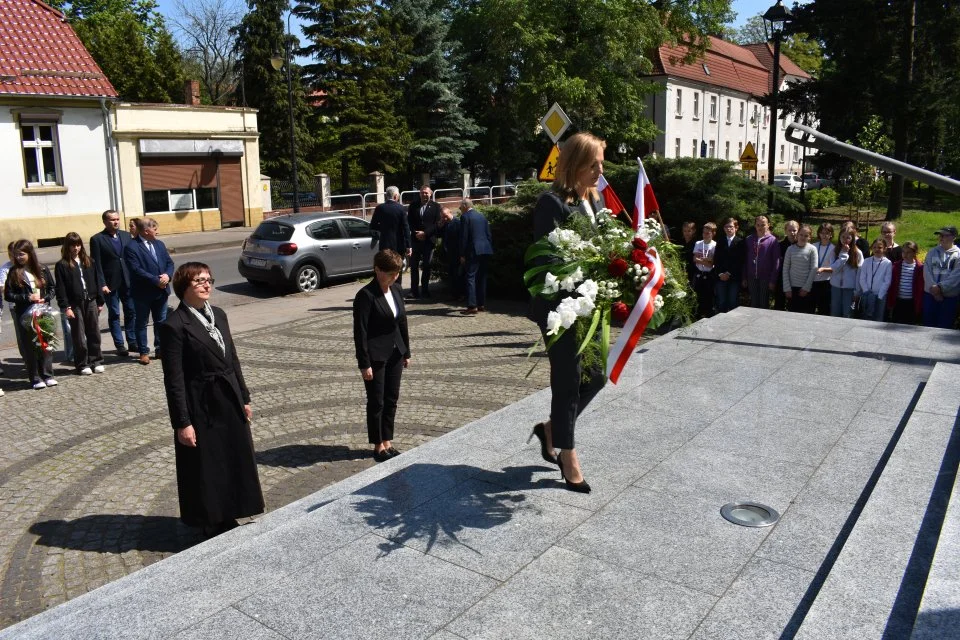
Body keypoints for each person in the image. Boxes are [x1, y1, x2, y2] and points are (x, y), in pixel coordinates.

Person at [159, 262, 263, 538]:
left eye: (209, 279)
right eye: (199, 281)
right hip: (201, 403)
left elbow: (233, 358)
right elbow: (174, 380)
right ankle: (212, 518)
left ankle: (234, 509)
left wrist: (244, 396)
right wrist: (183, 422)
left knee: (233, 456)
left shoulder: (219, 314)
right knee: (209, 463)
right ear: (184, 287)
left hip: (228, 396)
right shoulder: (174, 326)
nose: (207, 285)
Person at [530, 132, 608, 494]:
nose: (599, 170)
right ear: (574, 164)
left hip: (590, 305)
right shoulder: (552, 204)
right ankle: (568, 454)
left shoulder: (595, 199)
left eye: (600, 163)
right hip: (560, 310)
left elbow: (606, 246)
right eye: (593, 164)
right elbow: (546, 261)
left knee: (596, 376)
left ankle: (551, 430)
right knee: (568, 379)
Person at [352, 250, 411, 462]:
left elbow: (402, 322)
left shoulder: (396, 289)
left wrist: (407, 352)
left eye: (397, 273)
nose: (394, 277)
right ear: (377, 270)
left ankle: (388, 440)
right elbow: (361, 332)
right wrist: (364, 363)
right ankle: (378, 445)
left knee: (391, 398)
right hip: (376, 356)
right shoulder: (366, 296)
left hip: (396, 352)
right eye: (390, 273)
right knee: (376, 401)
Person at [3, 239, 57, 389]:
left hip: (42, 311)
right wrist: (26, 298)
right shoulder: (14, 272)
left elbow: (52, 288)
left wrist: (45, 298)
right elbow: (8, 295)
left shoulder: (43, 269)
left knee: (45, 343)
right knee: (30, 346)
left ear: (29, 254)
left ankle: (48, 375)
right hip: (24, 313)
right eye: (16, 255)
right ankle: (35, 378)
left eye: (21, 254)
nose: (18, 258)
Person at [123, 217, 175, 365]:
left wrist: (167, 275)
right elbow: (136, 270)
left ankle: (160, 349)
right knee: (141, 322)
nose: (157, 232)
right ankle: (143, 352)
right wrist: (156, 280)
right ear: (146, 231)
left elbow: (169, 263)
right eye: (155, 229)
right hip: (143, 292)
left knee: (161, 321)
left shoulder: (159, 244)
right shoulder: (131, 247)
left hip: (161, 291)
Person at [55, 233, 105, 375]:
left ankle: (96, 360)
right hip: (74, 304)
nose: (76, 248)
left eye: (78, 245)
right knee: (78, 335)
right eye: (72, 245)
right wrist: (66, 307)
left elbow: (97, 280)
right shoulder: (62, 265)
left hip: (91, 301)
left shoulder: (89, 261)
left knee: (94, 332)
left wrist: (100, 301)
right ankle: (82, 364)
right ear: (67, 246)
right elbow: (61, 288)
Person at [90, 209, 137, 356]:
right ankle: (119, 344)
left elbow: (130, 257)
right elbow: (96, 264)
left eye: (117, 219)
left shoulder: (125, 235)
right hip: (110, 283)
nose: (115, 222)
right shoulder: (97, 239)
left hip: (127, 280)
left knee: (131, 311)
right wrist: (102, 284)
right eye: (112, 220)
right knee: (115, 313)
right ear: (105, 221)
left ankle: (132, 341)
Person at [370, 186, 412, 287]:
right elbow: (406, 228)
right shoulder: (401, 208)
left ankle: (384, 290)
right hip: (398, 245)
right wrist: (408, 246)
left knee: (384, 268)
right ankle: (397, 290)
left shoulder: (380, 208)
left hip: (384, 244)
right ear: (396, 196)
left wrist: (383, 228)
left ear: (386, 195)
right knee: (397, 269)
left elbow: (373, 225)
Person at [458, 198, 494, 315]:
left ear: (465, 206)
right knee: (481, 277)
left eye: (460, 206)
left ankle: (472, 305)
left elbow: (464, 237)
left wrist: (462, 254)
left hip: (473, 251)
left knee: (470, 277)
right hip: (485, 249)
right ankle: (481, 304)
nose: (459, 208)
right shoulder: (481, 216)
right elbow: (488, 234)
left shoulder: (465, 217)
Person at [407, 185, 442, 299]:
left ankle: (425, 290)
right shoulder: (413, 205)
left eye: (426, 193)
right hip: (415, 241)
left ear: (430, 194)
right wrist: (416, 233)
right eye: (422, 192)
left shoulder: (436, 206)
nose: (424, 194)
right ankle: (414, 291)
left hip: (428, 241)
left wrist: (425, 233)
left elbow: (437, 224)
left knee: (427, 266)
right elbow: (409, 222)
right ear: (419, 194)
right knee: (413, 267)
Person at [922, 226, 960, 329]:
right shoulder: (932, 252)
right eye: (940, 235)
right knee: (928, 325)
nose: (941, 238)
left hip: (948, 297)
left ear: (954, 237)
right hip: (930, 295)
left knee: (944, 326)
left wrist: (940, 288)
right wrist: (934, 289)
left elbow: (956, 276)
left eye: (945, 235)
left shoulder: (958, 254)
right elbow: (927, 271)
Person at [742, 215, 780, 309]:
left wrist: (773, 280)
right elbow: (744, 260)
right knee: (754, 302)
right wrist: (744, 277)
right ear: (755, 225)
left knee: (763, 303)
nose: (760, 227)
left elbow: (776, 261)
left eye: (763, 225)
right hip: (751, 277)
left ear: (768, 225)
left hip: (765, 277)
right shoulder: (749, 239)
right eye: (758, 225)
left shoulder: (773, 240)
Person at [782, 224, 818, 314]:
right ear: (797, 235)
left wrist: (806, 288)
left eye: (806, 236)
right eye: (801, 235)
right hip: (792, 288)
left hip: (806, 289)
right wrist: (787, 288)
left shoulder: (812, 249)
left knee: (805, 315)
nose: (803, 237)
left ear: (810, 237)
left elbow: (814, 269)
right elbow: (785, 269)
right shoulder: (790, 249)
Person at [855, 237, 892, 322]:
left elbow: (887, 281)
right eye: (874, 247)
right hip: (867, 294)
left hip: (880, 295)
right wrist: (866, 290)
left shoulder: (887, 263)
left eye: (879, 247)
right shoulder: (867, 261)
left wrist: (880, 295)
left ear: (885, 249)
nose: (877, 249)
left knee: (878, 317)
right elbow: (862, 278)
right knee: (866, 316)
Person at [887, 241, 924, 325]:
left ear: (915, 253)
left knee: (908, 324)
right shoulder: (896, 266)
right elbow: (892, 284)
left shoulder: (919, 268)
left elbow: (920, 286)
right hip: (898, 300)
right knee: (896, 323)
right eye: (903, 252)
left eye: (908, 252)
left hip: (911, 302)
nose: (905, 255)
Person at [713, 217, 745, 313]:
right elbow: (716, 259)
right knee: (721, 302)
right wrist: (720, 274)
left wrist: (728, 273)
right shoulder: (720, 241)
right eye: (726, 227)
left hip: (734, 277)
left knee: (732, 301)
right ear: (723, 228)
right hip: (720, 276)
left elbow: (740, 261)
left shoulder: (740, 242)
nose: (728, 229)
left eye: (731, 226)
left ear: (736, 228)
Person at [829, 229, 862, 318]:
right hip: (836, 286)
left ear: (852, 239)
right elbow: (834, 269)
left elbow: (859, 274)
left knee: (847, 313)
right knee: (835, 312)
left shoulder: (857, 253)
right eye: (843, 237)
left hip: (850, 288)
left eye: (848, 237)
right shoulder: (834, 251)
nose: (845, 240)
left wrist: (857, 292)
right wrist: (843, 254)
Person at [692, 221, 717, 317]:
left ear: (713, 233)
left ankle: (708, 315)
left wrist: (702, 260)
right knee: (698, 296)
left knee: (708, 296)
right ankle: (698, 315)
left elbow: (712, 264)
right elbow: (694, 259)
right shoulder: (698, 243)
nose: (705, 235)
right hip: (699, 273)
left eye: (708, 233)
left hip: (709, 274)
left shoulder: (714, 245)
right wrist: (707, 260)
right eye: (704, 233)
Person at [438, 207, 463, 301]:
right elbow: (439, 235)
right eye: (442, 217)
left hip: (456, 253)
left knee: (457, 274)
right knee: (451, 274)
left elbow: (460, 239)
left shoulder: (457, 223)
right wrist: (439, 227)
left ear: (450, 212)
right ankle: (453, 294)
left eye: (446, 216)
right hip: (448, 253)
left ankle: (459, 294)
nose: (444, 218)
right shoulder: (444, 224)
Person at [774, 220, 799, 311]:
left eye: (794, 230)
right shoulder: (779, 246)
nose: (792, 233)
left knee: (793, 306)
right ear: (785, 231)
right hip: (782, 278)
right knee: (779, 304)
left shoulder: (801, 246)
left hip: (795, 279)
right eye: (789, 230)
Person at [811, 223, 835, 316]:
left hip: (826, 282)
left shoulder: (834, 249)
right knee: (811, 307)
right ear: (819, 234)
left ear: (831, 234)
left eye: (827, 233)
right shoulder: (813, 246)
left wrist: (823, 269)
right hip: (813, 280)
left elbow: (835, 267)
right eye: (822, 233)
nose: (824, 235)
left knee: (824, 308)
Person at [680, 221, 697, 287]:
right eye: (685, 231)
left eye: (689, 231)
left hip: (693, 271)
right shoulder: (680, 242)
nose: (686, 233)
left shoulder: (697, 243)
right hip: (681, 270)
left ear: (694, 231)